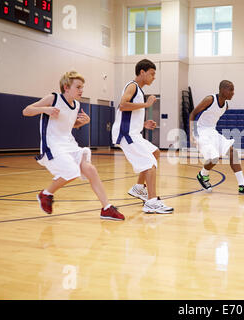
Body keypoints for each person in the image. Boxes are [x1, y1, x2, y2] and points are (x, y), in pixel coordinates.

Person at [23, 71, 125, 221]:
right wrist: (45, 109)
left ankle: (106, 208)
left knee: (91, 170)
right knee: (71, 171)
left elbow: (68, 126)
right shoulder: (53, 98)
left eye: (82, 87)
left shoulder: (76, 105)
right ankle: (46, 194)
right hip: (53, 144)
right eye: (78, 87)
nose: (81, 90)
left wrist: (82, 122)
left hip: (69, 143)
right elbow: (26, 111)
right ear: (66, 87)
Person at [112, 59, 173, 214]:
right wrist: (146, 105)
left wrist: (143, 123)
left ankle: (139, 188)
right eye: (152, 74)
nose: (153, 77)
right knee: (149, 162)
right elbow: (123, 105)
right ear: (142, 72)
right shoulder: (132, 85)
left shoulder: (139, 89)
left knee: (155, 152)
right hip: (126, 134)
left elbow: (129, 112)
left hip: (133, 132)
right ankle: (151, 202)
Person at [189, 80, 244, 196]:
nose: (233, 93)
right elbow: (193, 113)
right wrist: (192, 133)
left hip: (212, 131)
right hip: (201, 132)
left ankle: (242, 186)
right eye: (231, 89)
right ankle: (203, 174)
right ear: (223, 90)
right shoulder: (210, 99)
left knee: (233, 153)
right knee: (214, 157)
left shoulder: (226, 105)